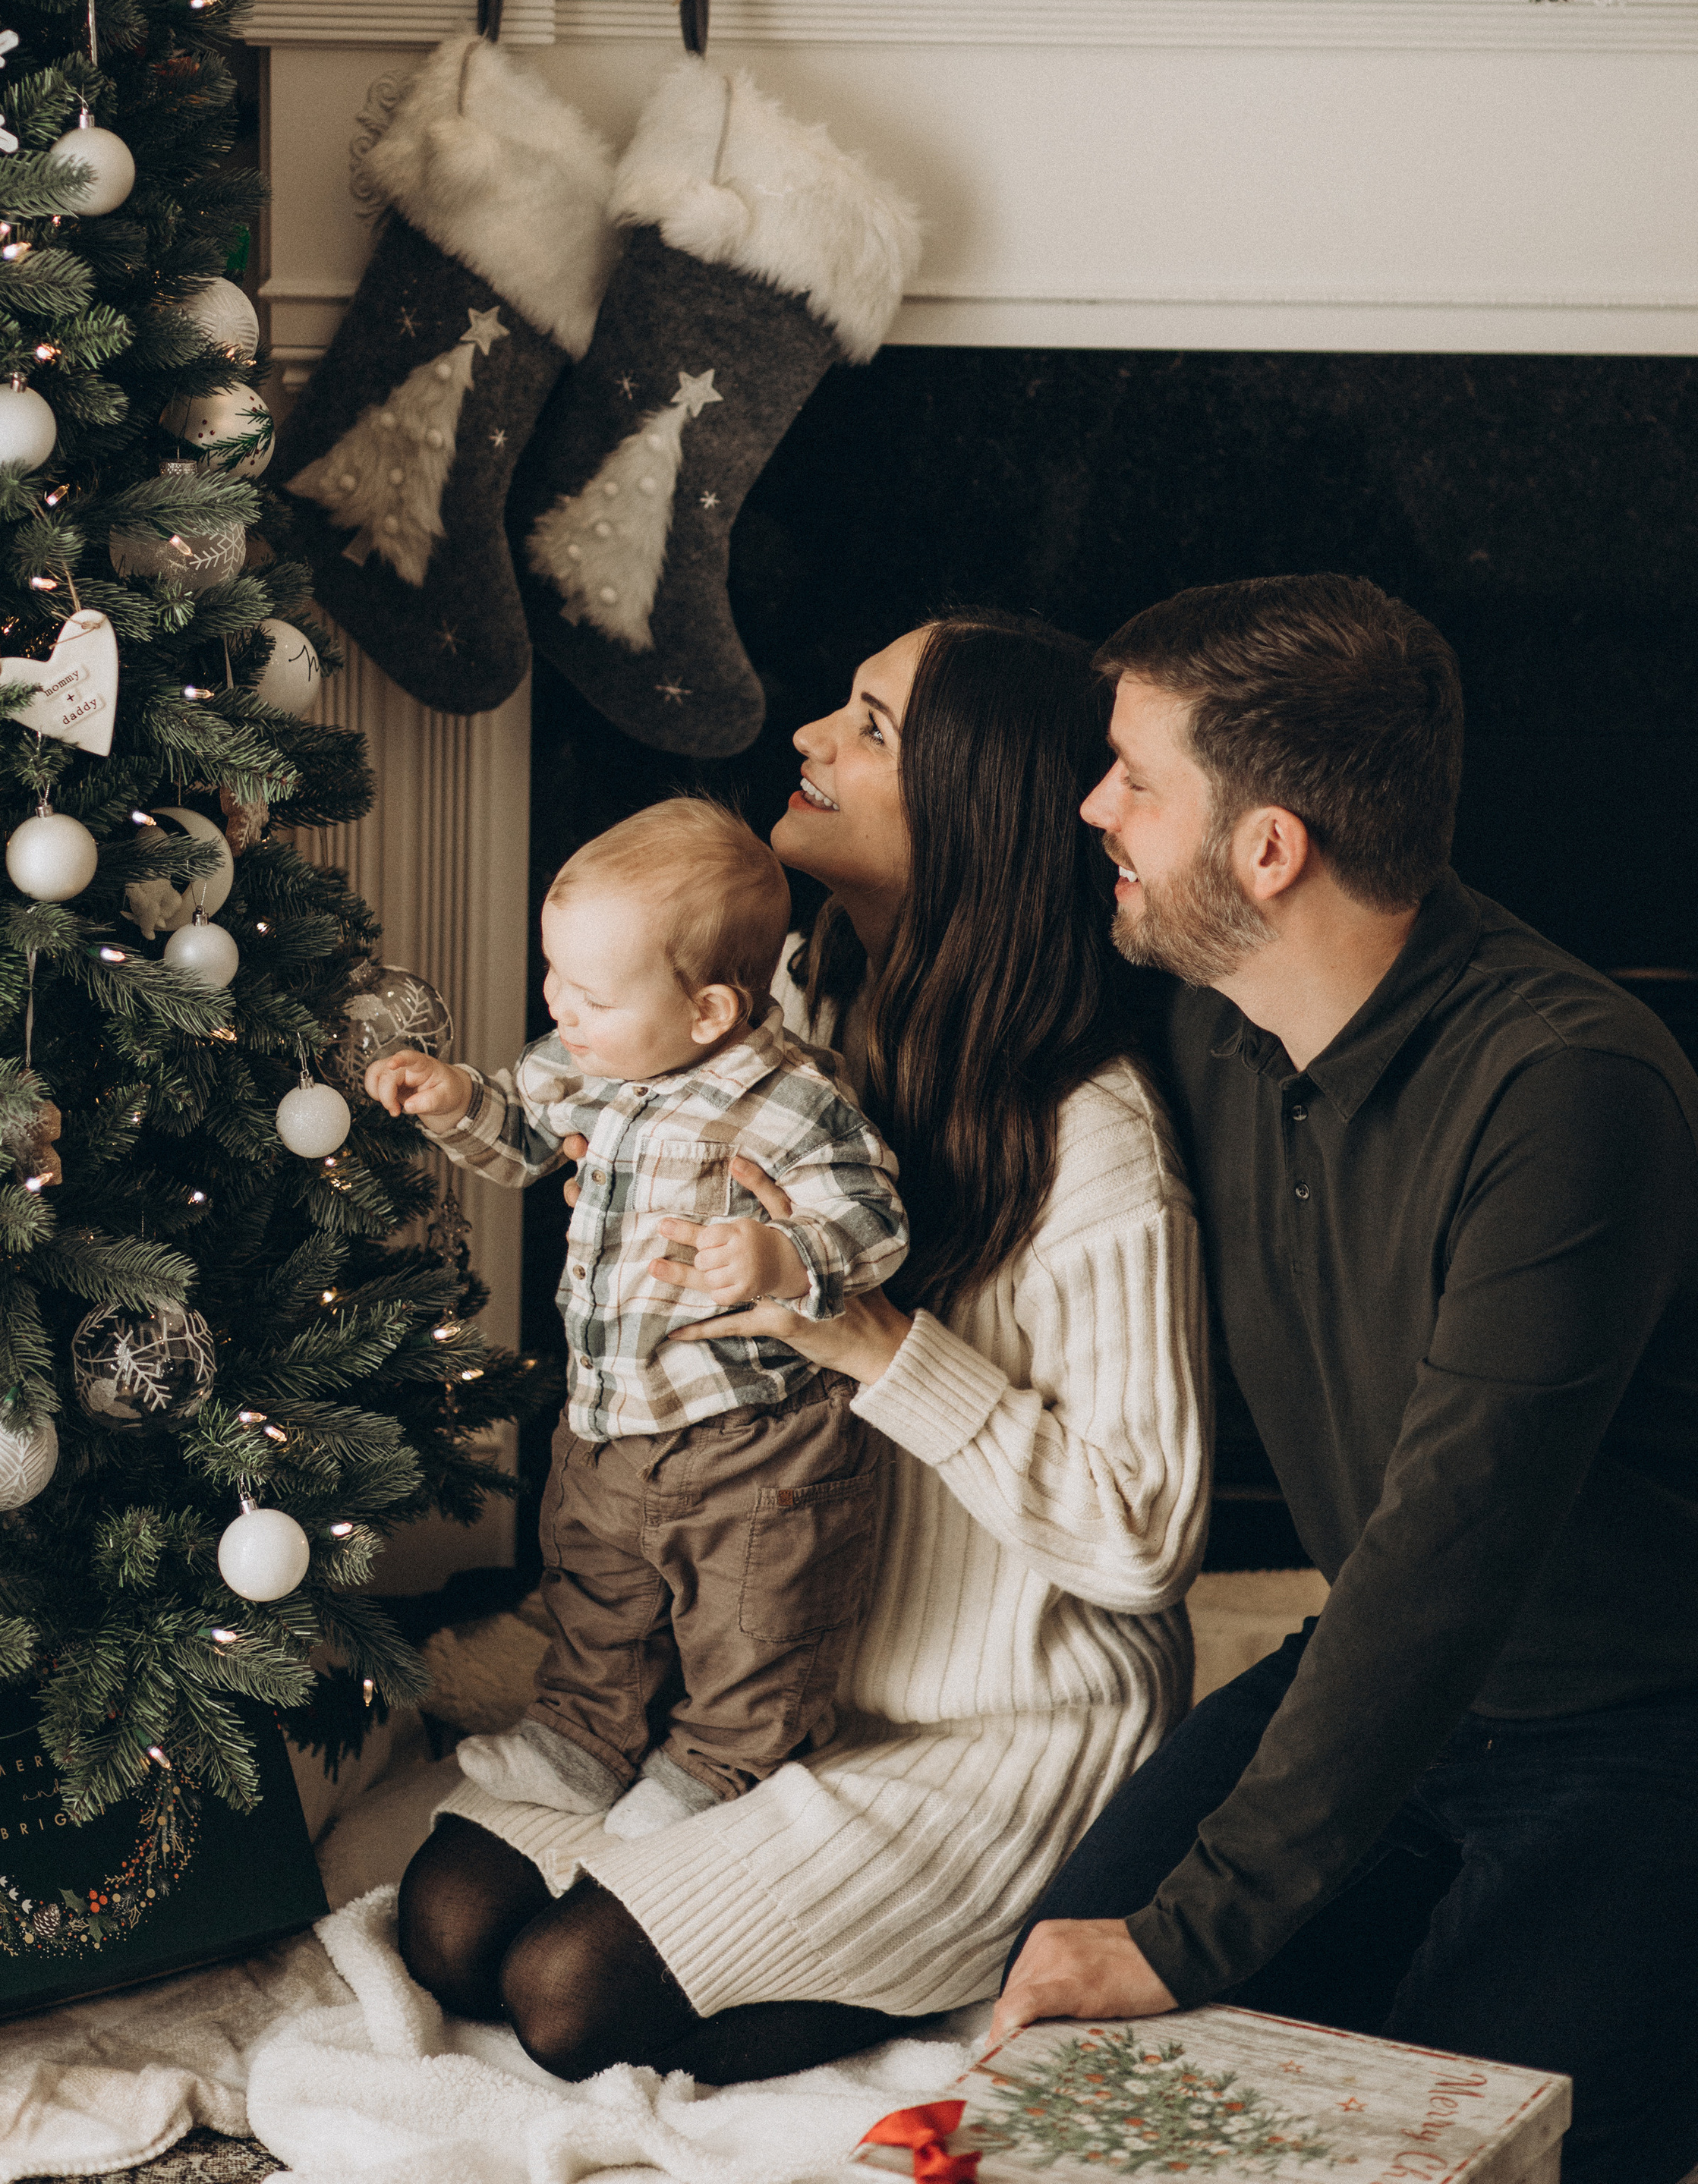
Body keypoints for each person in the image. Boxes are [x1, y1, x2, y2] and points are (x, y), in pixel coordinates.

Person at [394, 612, 1209, 2085]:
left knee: (564, 1996)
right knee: (447, 1930)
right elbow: (583, 1124)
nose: (807, 737)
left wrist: (877, 1344)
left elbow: (1143, 1539)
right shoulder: (768, 1010)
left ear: (971, 807)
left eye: (870, 727)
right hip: (758, 1660)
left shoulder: (1092, 1138)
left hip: (994, 1727)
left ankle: (949, 1954)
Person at [994, 572, 1698, 2184]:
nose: (1093, 807)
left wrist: (1193, 1931)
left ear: (1268, 849)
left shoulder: (1566, 1092)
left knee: (1463, 2147)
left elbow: (1449, 1551)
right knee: (1066, 2037)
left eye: (1133, 780)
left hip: (1637, 1717)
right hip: (1380, 1677)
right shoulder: (1220, 1023)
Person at [368, 797, 909, 1840]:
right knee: (596, 1585)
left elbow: (873, 1219)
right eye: (554, 976)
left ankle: (723, 1759)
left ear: (708, 1011)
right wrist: (455, 1103)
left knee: (752, 1612)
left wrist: (782, 1255)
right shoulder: (595, 1057)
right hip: (614, 1408)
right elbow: (522, 1133)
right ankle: (584, 1737)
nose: (559, 1009)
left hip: (752, 1433)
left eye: (590, 994)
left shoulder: (790, 1100)